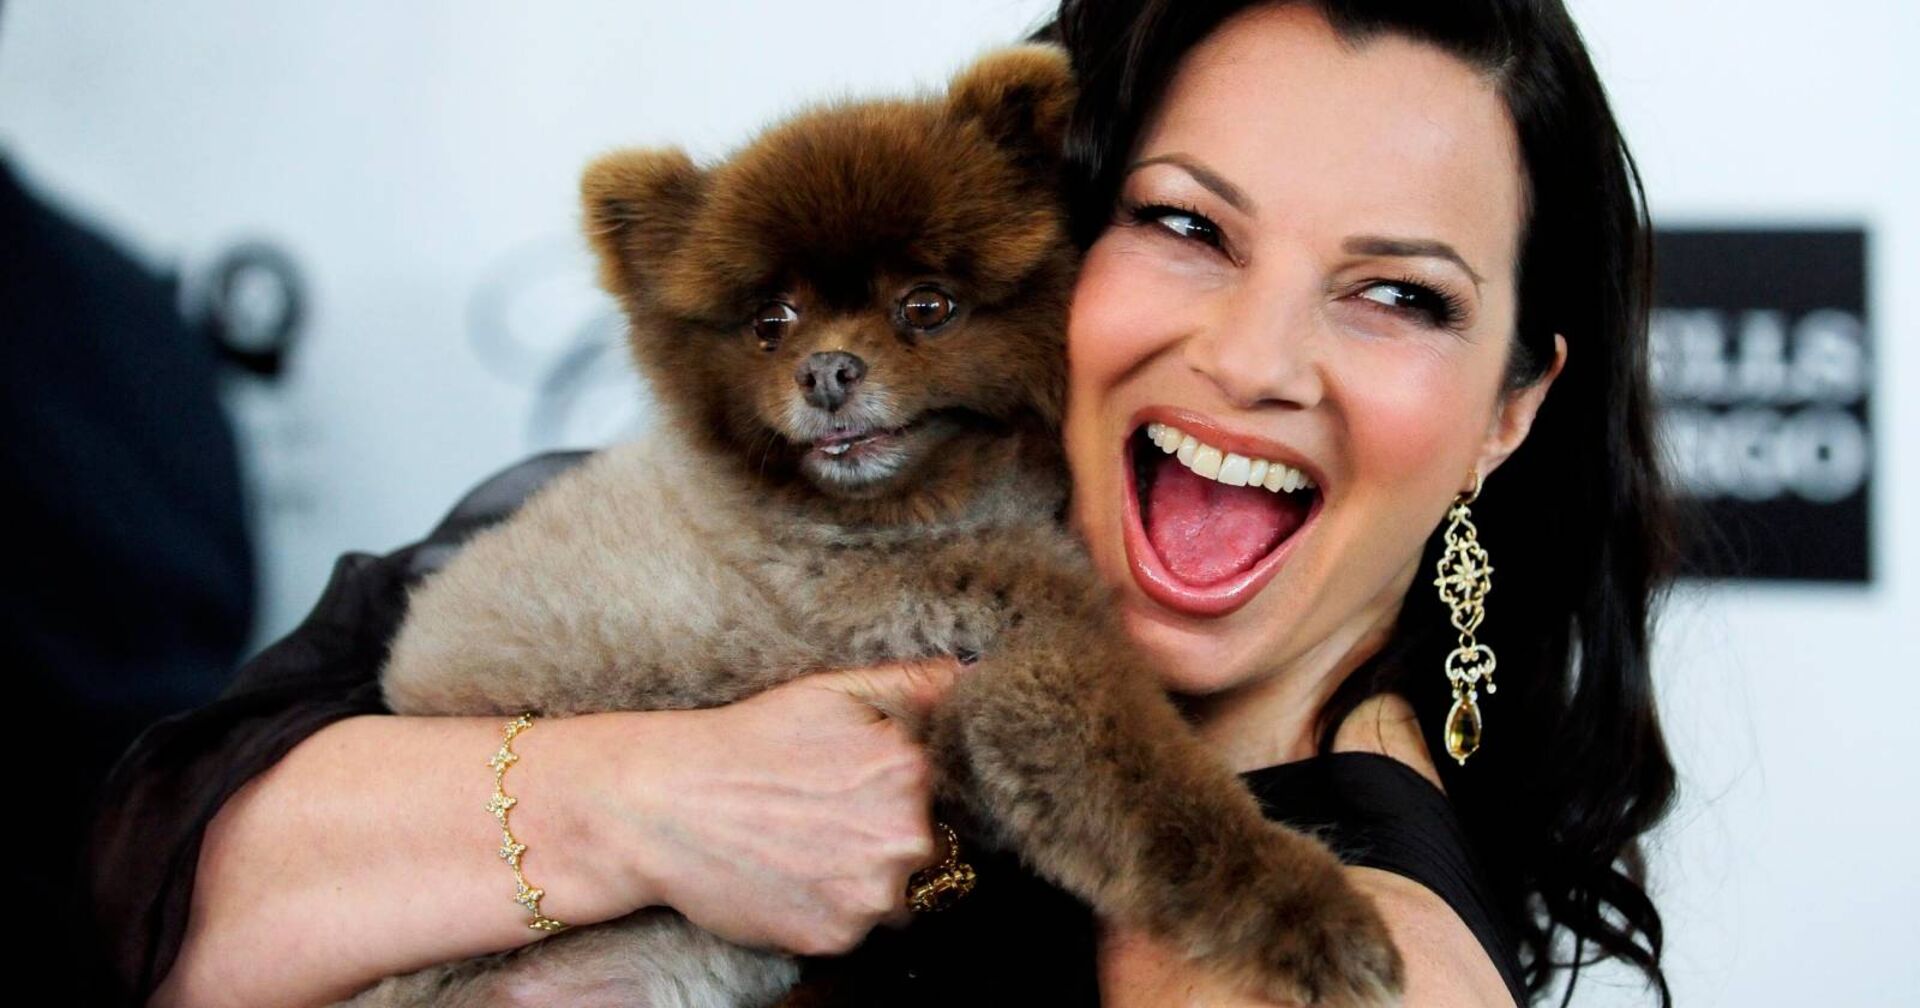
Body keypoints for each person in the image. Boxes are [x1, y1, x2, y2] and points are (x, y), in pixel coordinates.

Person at [90, 1, 1677, 1005]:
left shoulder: (1358, 935)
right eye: (1190, 226)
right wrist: (645, 798)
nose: (1256, 357)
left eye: (1397, 295)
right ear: (1062, 228)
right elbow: (167, 898)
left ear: (1511, 409)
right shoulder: (703, 527)